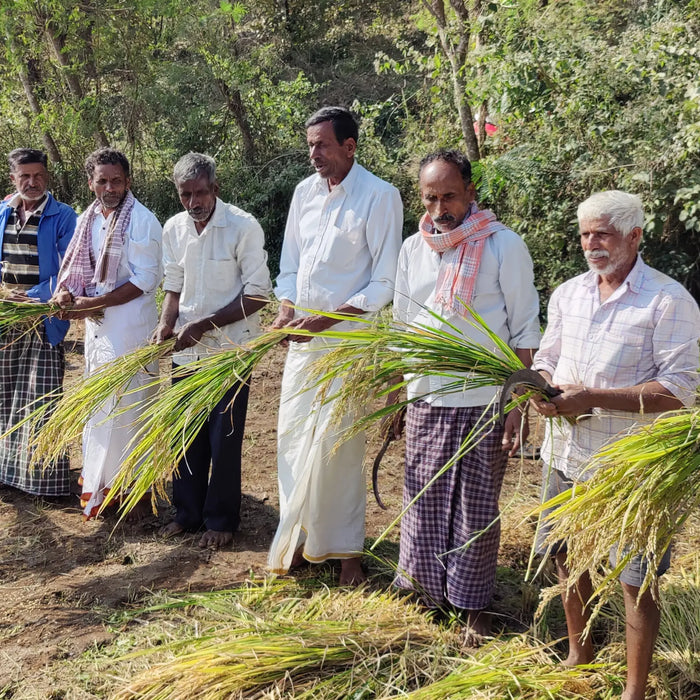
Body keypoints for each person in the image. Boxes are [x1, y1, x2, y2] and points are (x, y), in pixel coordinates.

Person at [530, 190, 700, 700]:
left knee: (636, 578)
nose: (590, 244)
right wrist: (540, 387)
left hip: (629, 470)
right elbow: (547, 355)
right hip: (564, 456)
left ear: (634, 235)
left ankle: (634, 690)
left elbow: (680, 391)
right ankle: (578, 654)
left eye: (601, 233)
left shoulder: (668, 301)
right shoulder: (568, 294)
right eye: (584, 234)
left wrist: (594, 397)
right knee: (566, 557)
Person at [391, 149, 540, 641]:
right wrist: (398, 393)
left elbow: (524, 331)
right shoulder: (414, 249)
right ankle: (425, 592)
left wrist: (516, 406)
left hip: (483, 399)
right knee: (423, 499)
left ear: (471, 192)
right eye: (430, 198)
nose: (439, 210)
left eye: (449, 196)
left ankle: (472, 606)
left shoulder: (502, 245)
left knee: (475, 507)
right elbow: (400, 325)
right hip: (425, 396)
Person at [268, 106, 403, 584]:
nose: (313, 155)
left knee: (338, 447)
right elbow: (288, 264)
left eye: (322, 145)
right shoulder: (304, 194)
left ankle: (348, 555)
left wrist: (324, 321)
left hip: (347, 343)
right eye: (310, 145)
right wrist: (287, 308)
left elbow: (384, 282)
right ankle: (301, 540)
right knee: (292, 440)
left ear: (349, 146)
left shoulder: (380, 196)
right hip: (303, 341)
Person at [154, 153, 271, 549]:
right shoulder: (174, 228)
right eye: (185, 194)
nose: (193, 202)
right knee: (185, 434)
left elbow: (257, 295)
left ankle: (220, 520)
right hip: (186, 351)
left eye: (200, 192)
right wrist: (166, 323)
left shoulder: (242, 226)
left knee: (225, 436)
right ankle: (186, 514)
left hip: (229, 351)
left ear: (215, 189)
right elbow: (174, 285)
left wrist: (203, 325)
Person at [52, 147, 162, 520]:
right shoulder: (89, 220)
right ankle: (103, 491)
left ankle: (138, 495)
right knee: (101, 411)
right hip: (99, 333)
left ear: (128, 181)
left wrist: (92, 303)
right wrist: (69, 293)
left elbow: (146, 280)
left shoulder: (142, 221)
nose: (110, 187)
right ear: (91, 184)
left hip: (131, 329)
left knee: (132, 410)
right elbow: (77, 271)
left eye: (117, 180)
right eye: (102, 181)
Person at [0, 148, 77, 496]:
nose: (32, 182)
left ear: (47, 176)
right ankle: (7, 473)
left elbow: (70, 269)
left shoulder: (63, 216)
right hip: (5, 316)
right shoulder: (2, 212)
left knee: (40, 399)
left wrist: (30, 298)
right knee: (4, 396)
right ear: (13, 177)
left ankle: (43, 482)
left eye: (38, 175)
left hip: (41, 318)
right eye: (24, 176)